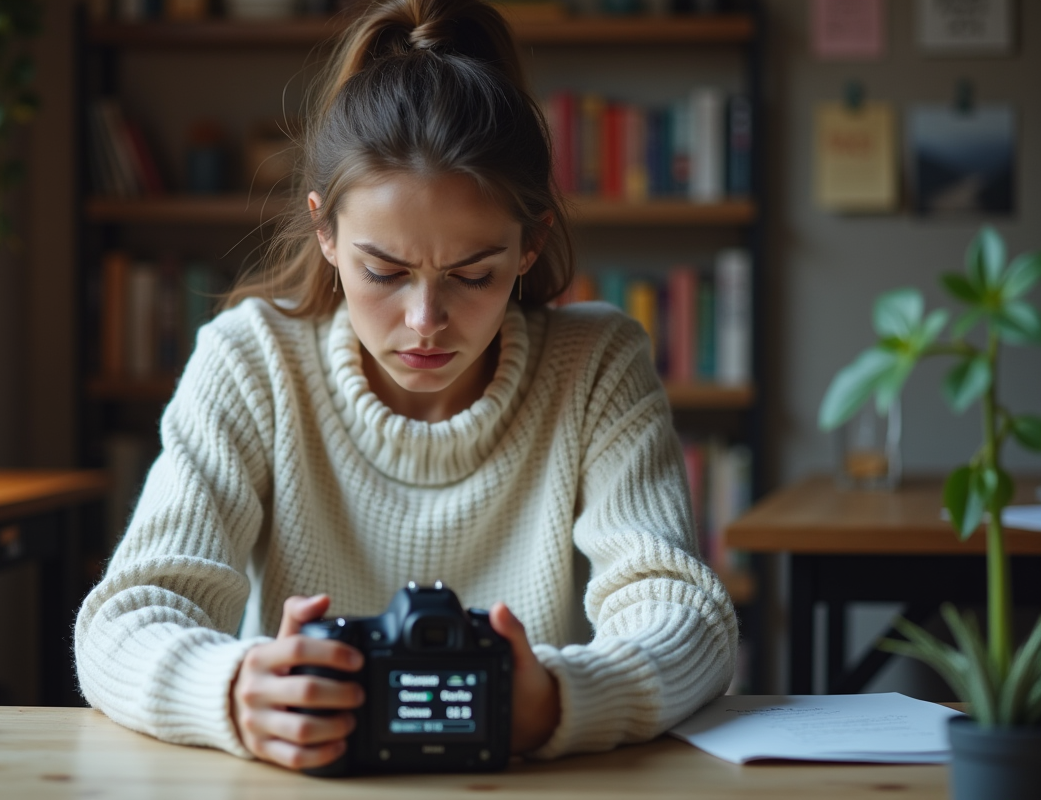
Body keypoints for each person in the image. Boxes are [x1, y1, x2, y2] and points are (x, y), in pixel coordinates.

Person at [74, 0, 737, 771]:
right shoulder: (250, 362)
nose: (426, 321)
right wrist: (229, 693)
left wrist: (559, 700)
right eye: (384, 272)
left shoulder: (596, 364)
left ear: (531, 245)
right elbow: (125, 620)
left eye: (473, 274)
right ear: (324, 231)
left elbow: (684, 617)